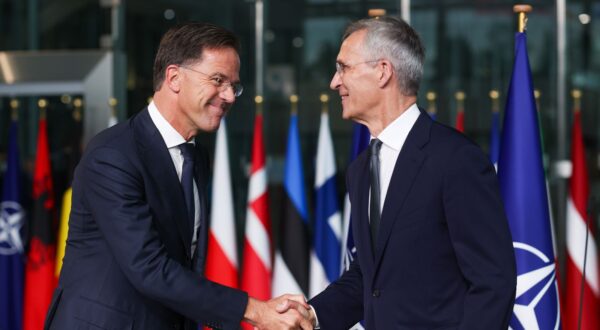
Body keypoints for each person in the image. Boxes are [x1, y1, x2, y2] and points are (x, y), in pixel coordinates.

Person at [44, 22, 312, 330]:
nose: (229, 96)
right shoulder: (113, 154)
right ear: (174, 78)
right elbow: (148, 266)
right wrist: (254, 310)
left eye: (234, 85)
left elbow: (187, 261)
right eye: (218, 80)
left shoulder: (196, 156)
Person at [292, 16, 517, 329]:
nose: (334, 81)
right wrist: (310, 316)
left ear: (383, 71)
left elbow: (493, 282)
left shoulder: (455, 158)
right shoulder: (360, 169)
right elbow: (369, 277)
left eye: (344, 67)